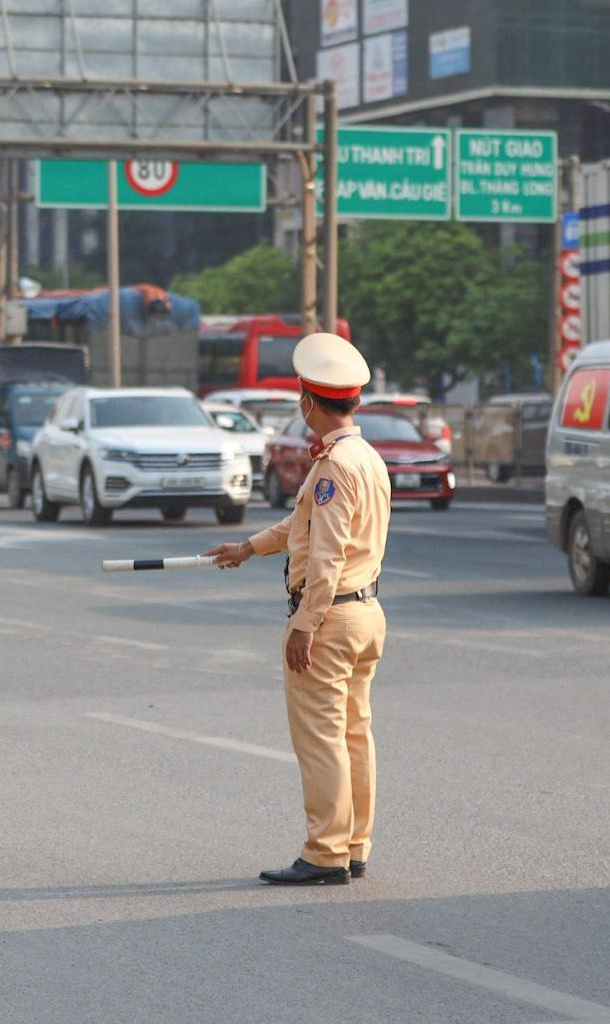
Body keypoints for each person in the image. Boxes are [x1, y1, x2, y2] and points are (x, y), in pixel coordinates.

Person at [203, 333, 391, 887]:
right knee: (354, 734)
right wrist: (248, 548)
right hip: (366, 613)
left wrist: (304, 624)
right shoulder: (364, 457)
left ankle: (325, 853)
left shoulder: (334, 466)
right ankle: (355, 845)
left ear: (309, 401)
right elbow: (301, 527)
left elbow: (327, 554)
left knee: (322, 740)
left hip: (330, 616)